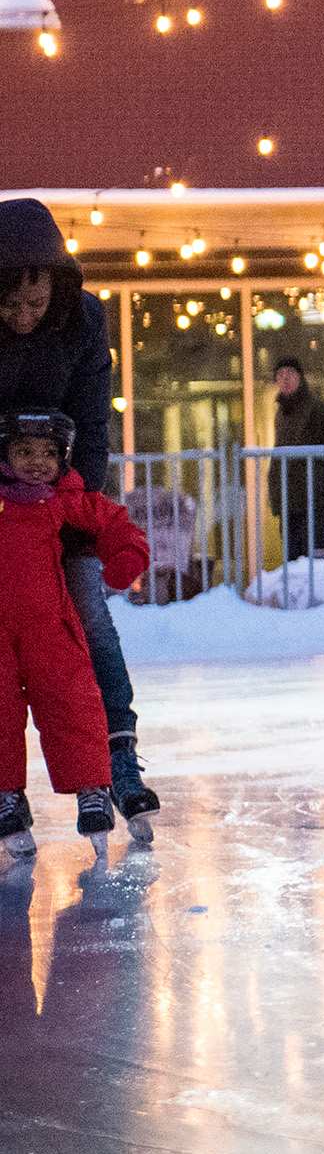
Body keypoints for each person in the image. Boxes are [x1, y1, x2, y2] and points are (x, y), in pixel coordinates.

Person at [0, 197, 161, 835]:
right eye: (7, 305)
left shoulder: (82, 322)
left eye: (34, 302)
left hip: (60, 496)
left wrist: (81, 514)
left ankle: (118, 754)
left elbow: (93, 418)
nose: (22, 317)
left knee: (88, 611)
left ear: (55, 284)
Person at [0, 410, 151, 859]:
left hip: (50, 625)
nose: (37, 463)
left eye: (48, 454)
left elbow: (114, 522)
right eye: (24, 452)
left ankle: (92, 785)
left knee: (74, 701)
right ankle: (6, 793)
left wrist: (125, 556)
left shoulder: (59, 500)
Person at [268, 357, 324, 563]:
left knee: (313, 557)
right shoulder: (282, 414)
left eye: (290, 374)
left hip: (315, 500)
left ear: (300, 377)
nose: (285, 379)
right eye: (280, 375)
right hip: (290, 499)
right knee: (294, 559)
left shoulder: (319, 410)